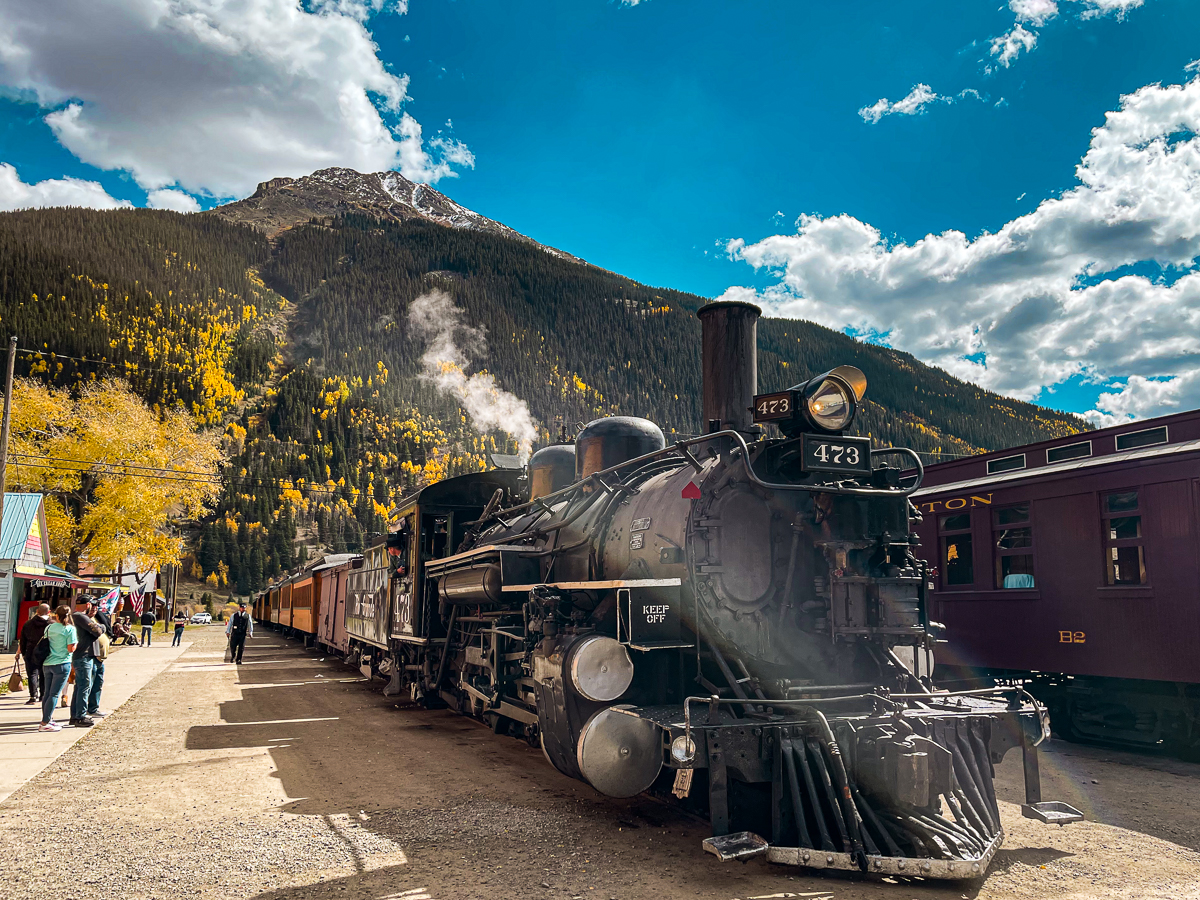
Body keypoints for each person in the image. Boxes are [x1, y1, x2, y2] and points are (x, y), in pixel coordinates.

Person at [39, 606, 77, 732]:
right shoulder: (70, 629)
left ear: (56, 615)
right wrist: (76, 645)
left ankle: (47, 719)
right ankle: (45, 722)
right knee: (54, 694)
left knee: (47, 693)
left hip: (48, 662)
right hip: (62, 662)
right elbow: (70, 649)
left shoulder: (49, 627)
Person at [70, 601, 103, 728]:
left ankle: (75, 716)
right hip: (83, 656)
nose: (95, 608)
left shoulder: (80, 617)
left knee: (80, 687)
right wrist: (101, 627)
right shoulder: (80, 616)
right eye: (93, 605)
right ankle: (80, 716)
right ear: (87, 604)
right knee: (84, 686)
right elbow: (97, 631)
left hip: (85, 656)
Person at [18, 603, 51, 706]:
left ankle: (33, 696)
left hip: (30, 651)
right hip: (46, 652)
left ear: (37, 611)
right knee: (44, 674)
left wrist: (23, 652)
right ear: (49, 612)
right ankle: (43, 695)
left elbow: (23, 640)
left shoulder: (28, 624)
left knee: (32, 674)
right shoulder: (52, 624)